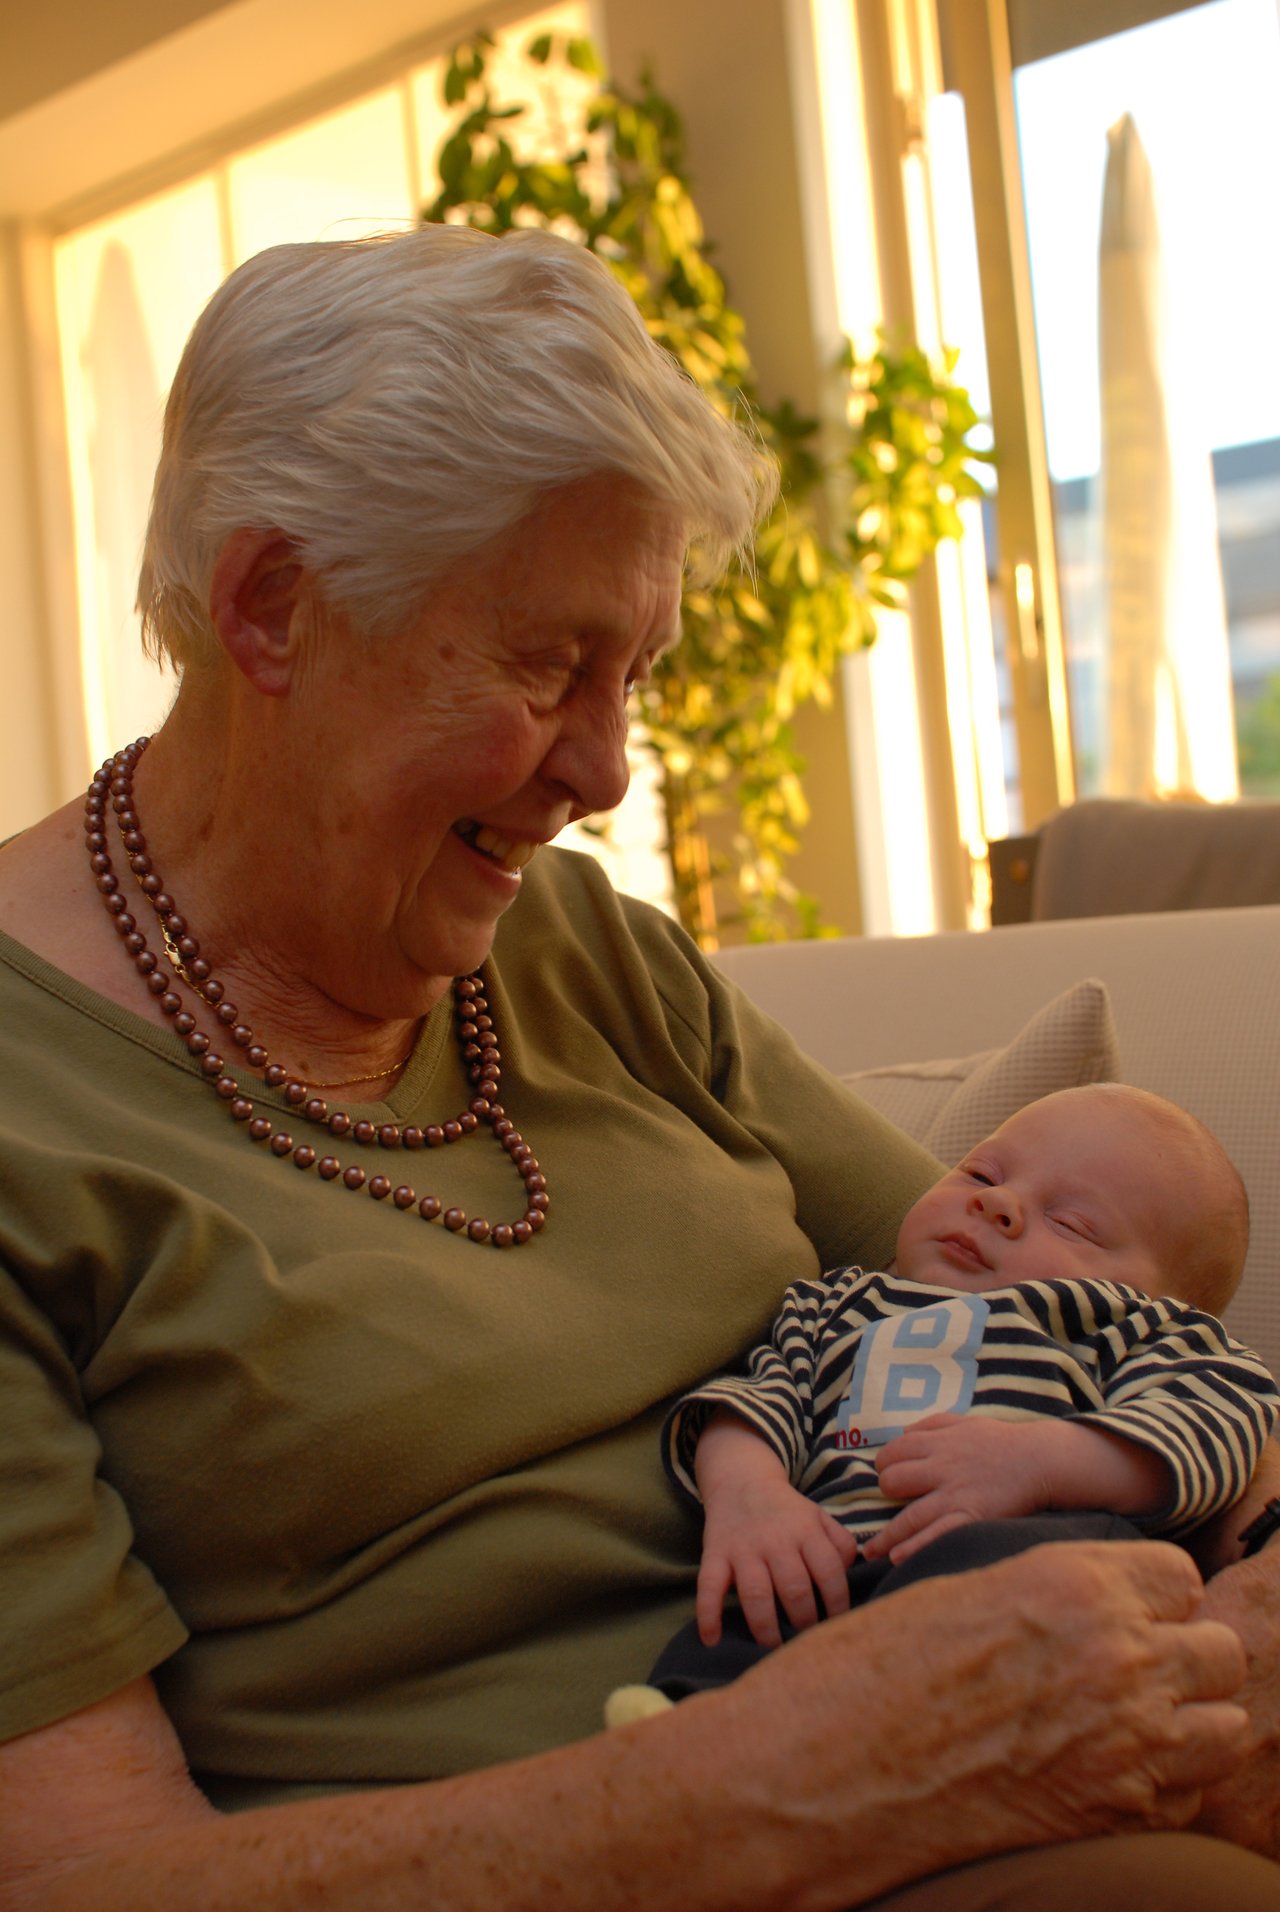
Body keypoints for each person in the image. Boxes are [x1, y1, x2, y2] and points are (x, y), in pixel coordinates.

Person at [1, 224, 1279, 1912]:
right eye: (545, 664)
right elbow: (91, 1879)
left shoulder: (586, 953)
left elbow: (1061, 1327)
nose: (606, 769)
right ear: (272, 604)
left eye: (640, 672)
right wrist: (784, 1784)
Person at [605, 1084, 1278, 1711]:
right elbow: (753, 1401)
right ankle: (684, 1735)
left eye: (1072, 1223)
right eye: (981, 1175)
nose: (998, 1203)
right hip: (830, 1565)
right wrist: (750, 1497)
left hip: (1010, 1559)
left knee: (1062, 1578)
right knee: (734, 1613)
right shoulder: (834, 1306)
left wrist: (1047, 1459)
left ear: (1162, 1298)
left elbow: (1226, 1413)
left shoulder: (1130, 1327)